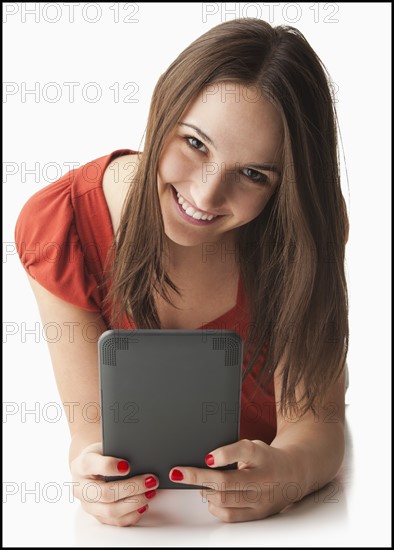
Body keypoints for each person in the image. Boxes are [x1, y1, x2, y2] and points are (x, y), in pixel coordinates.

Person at [15, 18, 349, 525]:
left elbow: (317, 427)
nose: (206, 195)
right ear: (162, 110)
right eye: (195, 144)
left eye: (254, 175)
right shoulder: (63, 225)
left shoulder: (302, 231)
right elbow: (90, 432)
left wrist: (286, 473)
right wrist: (95, 478)